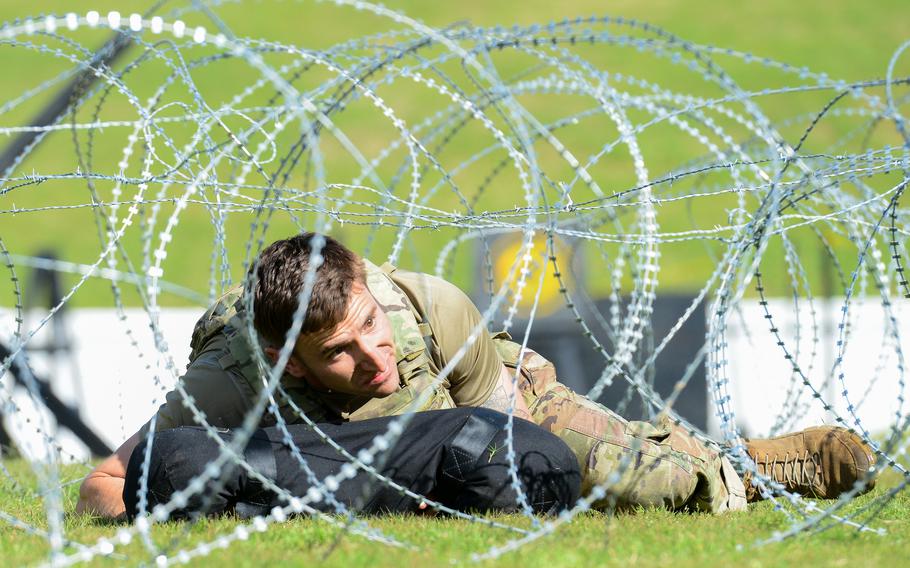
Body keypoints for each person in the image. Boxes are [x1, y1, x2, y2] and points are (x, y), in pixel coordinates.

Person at [77, 233, 876, 518]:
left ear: (370, 292)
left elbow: (512, 434)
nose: (372, 358)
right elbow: (104, 484)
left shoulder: (431, 311)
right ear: (289, 361)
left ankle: (755, 471)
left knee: (632, 474)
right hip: (368, 466)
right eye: (340, 356)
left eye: (368, 327)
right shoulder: (232, 377)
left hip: (485, 406)